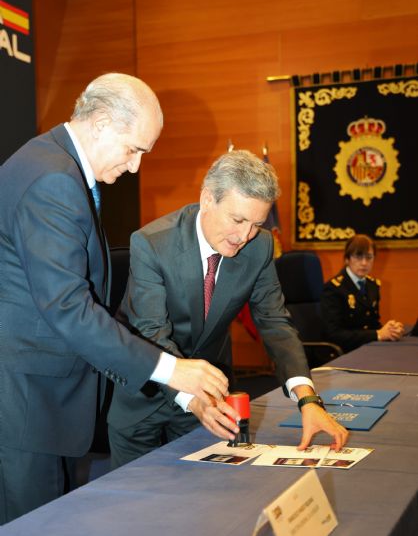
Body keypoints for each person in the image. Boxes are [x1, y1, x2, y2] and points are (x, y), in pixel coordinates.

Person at [0, 73, 230, 525]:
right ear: (102, 122)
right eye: (135, 148)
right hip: (28, 407)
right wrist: (173, 370)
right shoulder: (53, 180)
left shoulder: (52, 164)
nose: (136, 166)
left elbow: (90, 308)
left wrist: (179, 390)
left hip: (40, 403)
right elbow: (72, 310)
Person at [108, 150, 349, 468]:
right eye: (237, 220)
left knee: (207, 501)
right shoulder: (152, 243)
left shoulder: (259, 245)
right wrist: (194, 399)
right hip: (146, 394)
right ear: (207, 199)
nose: (244, 236)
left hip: (212, 400)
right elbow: (152, 331)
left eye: (256, 223)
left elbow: (274, 321)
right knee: (134, 508)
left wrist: (307, 398)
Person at [320, 234, 404, 353]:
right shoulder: (333, 288)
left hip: (368, 348)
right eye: (358, 257)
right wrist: (377, 334)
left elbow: (372, 323)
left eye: (369, 257)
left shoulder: (373, 285)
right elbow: (334, 334)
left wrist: (390, 330)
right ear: (347, 259)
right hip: (343, 353)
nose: (364, 263)